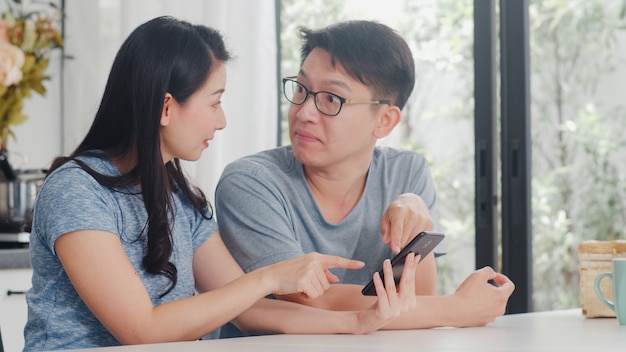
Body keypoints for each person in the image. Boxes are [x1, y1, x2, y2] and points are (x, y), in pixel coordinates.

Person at [23, 16, 422, 351]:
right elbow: (141, 330)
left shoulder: (178, 198)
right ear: (166, 108)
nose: (222, 120)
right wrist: (269, 276)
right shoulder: (76, 191)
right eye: (214, 102)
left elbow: (249, 312)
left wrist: (358, 321)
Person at [215, 20, 515, 329]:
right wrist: (457, 309)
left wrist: (417, 221)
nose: (304, 113)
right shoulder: (250, 183)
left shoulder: (407, 172)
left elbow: (420, 299)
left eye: (331, 98)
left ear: (384, 120)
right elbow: (313, 299)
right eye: (302, 90)